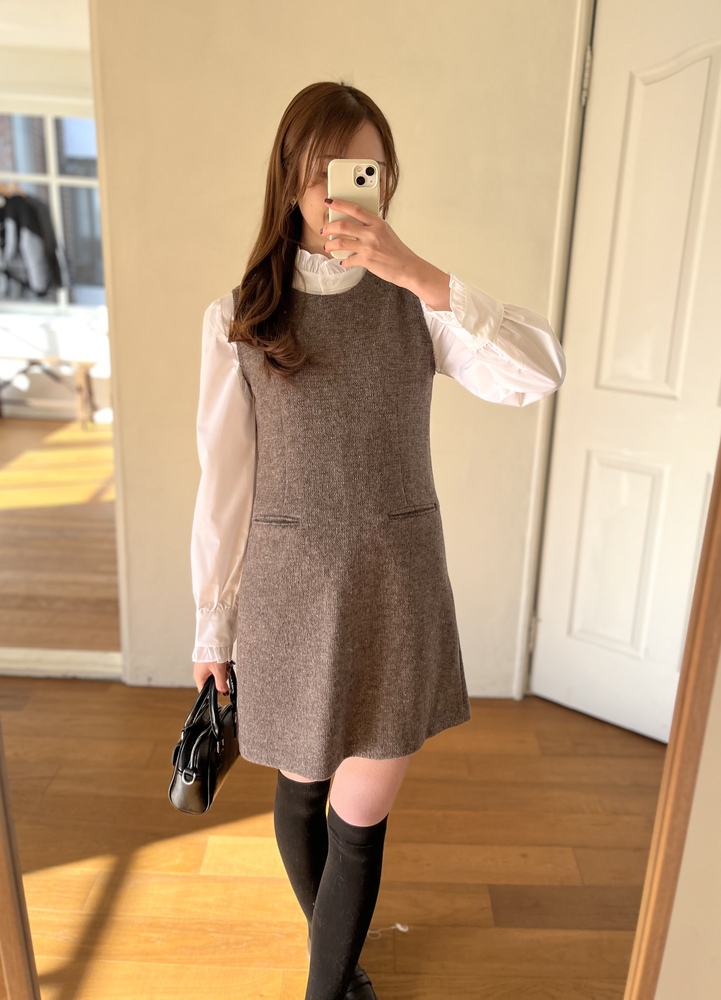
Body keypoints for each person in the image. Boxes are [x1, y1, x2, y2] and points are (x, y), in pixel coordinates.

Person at [190, 81, 566, 1000]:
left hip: (397, 589)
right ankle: (340, 961)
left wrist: (425, 274)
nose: (344, 194)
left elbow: (538, 374)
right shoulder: (238, 317)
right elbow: (224, 488)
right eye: (325, 174)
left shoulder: (421, 304)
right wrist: (212, 627)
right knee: (301, 792)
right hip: (288, 596)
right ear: (290, 180)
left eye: (366, 172)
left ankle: (326, 987)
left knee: (361, 816)